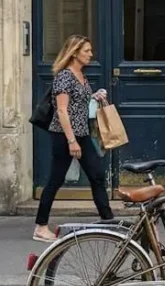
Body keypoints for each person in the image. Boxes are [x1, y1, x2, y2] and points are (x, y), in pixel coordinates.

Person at [34, 35, 113, 242]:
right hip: (64, 135)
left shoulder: (81, 75)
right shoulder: (64, 77)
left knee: (97, 175)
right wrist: (71, 141)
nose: (90, 54)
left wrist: (94, 96)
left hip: (82, 133)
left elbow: (79, 103)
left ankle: (109, 221)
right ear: (75, 52)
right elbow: (62, 111)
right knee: (55, 180)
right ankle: (41, 227)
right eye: (86, 51)